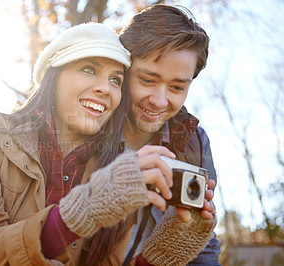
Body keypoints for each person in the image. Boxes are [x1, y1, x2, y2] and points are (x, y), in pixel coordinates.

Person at [0, 22, 178, 266]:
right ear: (54, 78)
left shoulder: (112, 174)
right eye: (88, 69)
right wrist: (81, 212)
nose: (105, 88)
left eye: (116, 80)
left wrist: (167, 251)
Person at [119, 4, 221, 265]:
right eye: (148, 80)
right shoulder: (87, 129)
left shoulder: (194, 141)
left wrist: (190, 231)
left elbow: (204, 246)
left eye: (176, 87)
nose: (159, 101)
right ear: (124, 69)